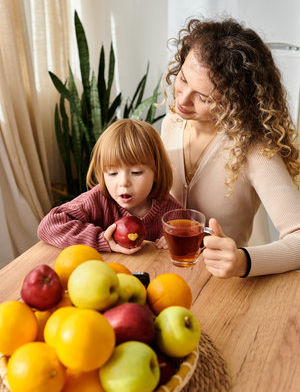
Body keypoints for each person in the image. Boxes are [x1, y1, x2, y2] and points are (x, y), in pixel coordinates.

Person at [160, 16, 300, 278]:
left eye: (204, 98)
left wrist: (242, 261)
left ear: (236, 102)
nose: (183, 99)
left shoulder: (253, 148)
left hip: (228, 290)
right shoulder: (173, 122)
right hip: (170, 275)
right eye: (183, 78)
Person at [38, 119, 181, 254]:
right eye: (113, 173)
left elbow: (195, 241)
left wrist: (172, 242)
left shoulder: (172, 212)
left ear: (157, 172)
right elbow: (48, 226)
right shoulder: (96, 200)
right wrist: (101, 240)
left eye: (136, 172)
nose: (123, 182)